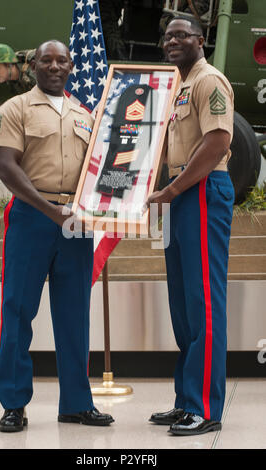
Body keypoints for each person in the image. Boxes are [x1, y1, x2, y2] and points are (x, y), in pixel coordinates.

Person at [0, 39, 114, 432]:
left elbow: (101, 170)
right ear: (34, 65)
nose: (55, 66)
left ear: (72, 65)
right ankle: (13, 403)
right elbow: (6, 167)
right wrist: (49, 211)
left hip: (75, 222)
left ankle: (76, 403)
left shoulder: (85, 114)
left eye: (62, 60)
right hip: (32, 217)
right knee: (18, 312)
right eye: (47, 60)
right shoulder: (15, 109)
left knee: (75, 315)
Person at [145, 16, 234, 436]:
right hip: (179, 194)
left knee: (205, 305)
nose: (173, 41)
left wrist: (173, 188)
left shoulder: (208, 80)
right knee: (182, 305)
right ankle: (186, 400)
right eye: (168, 36)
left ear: (201, 40)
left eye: (182, 34)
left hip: (201, 190)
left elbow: (216, 142)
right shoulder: (179, 86)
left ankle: (205, 408)